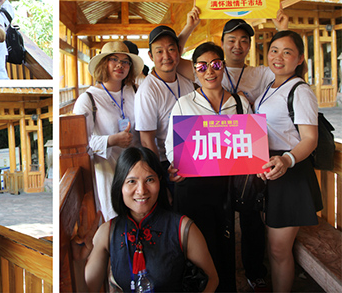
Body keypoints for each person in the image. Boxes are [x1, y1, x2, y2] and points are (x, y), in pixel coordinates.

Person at [165, 42, 251, 292]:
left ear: (223, 67)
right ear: (194, 71)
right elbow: (172, 147)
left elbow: (250, 141)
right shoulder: (184, 103)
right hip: (193, 186)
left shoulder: (239, 102)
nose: (209, 71)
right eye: (202, 67)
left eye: (215, 64)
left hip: (227, 187)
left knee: (226, 243)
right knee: (197, 246)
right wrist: (176, 165)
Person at [84, 147, 218, 292]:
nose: (141, 190)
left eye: (149, 180)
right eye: (132, 181)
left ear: (160, 182)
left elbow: (212, 279)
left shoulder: (182, 228)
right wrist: (78, 262)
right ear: (120, 185)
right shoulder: (107, 232)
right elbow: (88, 289)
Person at [254, 30, 322, 292]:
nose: (278, 57)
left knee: (279, 249)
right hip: (272, 171)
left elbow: (310, 138)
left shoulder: (300, 90)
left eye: (287, 52)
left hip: (290, 173)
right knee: (274, 248)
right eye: (274, 50)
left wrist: (287, 159)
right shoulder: (270, 87)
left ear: (300, 58)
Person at [72, 41, 144, 221]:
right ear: (103, 64)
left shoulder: (135, 91)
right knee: (117, 221)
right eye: (114, 59)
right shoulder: (88, 99)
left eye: (125, 61)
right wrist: (111, 140)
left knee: (141, 218)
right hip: (109, 172)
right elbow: (79, 142)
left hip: (137, 170)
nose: (120, 65)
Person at [134, 24, 195, 186]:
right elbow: (147, 140)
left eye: (171, 49)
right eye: (159, 51)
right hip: (167, 163)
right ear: (150, 56)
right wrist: (159, 178)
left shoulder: (186, 81)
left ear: (179, 51)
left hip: (194, 155)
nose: (166, 56)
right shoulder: (147, 91)